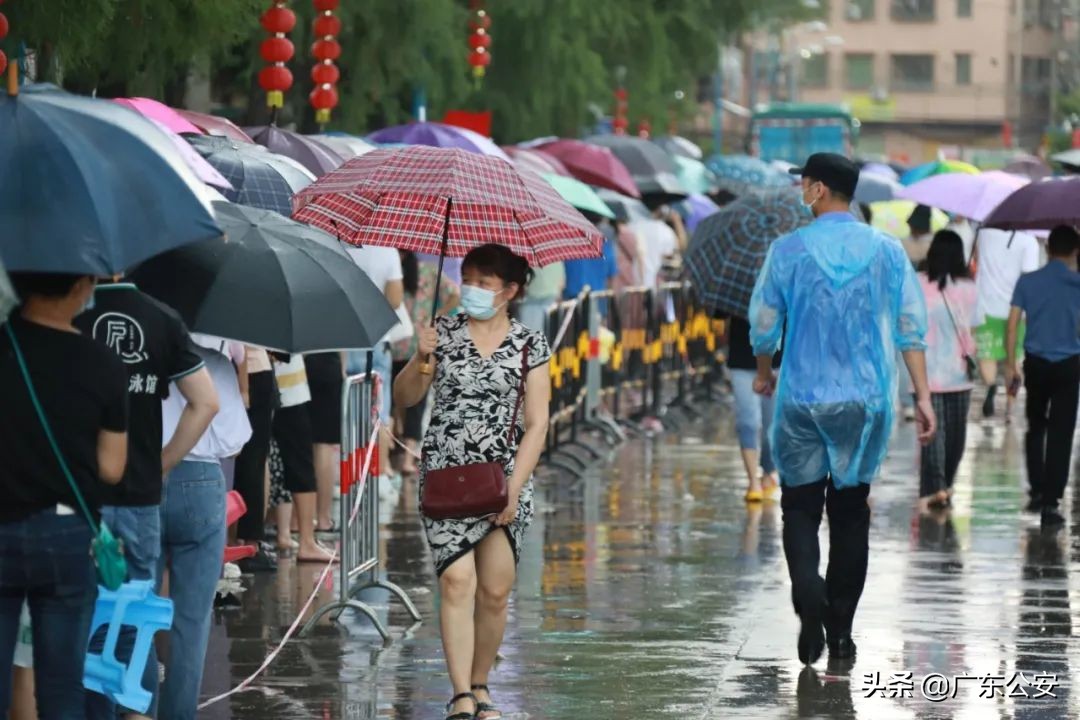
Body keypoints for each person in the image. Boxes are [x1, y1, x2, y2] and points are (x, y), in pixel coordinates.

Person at [749, 153, 935, 666]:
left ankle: (809, 592)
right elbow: (909, 328)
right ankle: (842, 633)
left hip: (803, 398)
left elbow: (764, 323)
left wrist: (765, 371)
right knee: (851, 514)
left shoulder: (787, 252)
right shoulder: (887, 252)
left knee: (801, 506)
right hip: (866, 399)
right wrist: (921, 395)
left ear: (819, 189)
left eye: (803, 184)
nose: (800, 190)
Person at [394, 244, 551, 720]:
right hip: (446, 475)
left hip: (505, 479)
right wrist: (420, 358)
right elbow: (406, 398)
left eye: (484, 283)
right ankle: (460, 693)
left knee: (495, 592)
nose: (472, 290)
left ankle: (481, 683)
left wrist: (512, 487)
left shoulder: (531, 344)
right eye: (468, 279)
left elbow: (538, 423)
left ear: (510, 291)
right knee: (457, 581)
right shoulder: (441, 332)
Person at [77, 278, 218, 720]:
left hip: (80, 500)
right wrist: (161, 463)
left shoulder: (66, 315)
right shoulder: (161, 318)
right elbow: (206, 402)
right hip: (140, 498)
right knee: (136, 623)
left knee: (86, 621)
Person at [0, 272, 128, 718]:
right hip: (67, 534)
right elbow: (112, 468)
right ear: (81, 286)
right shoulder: (103, 363)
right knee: (61, 687)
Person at [158, 335, 251, 720]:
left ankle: (137, 710)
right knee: (192, 619)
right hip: (201, 483)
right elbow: (235, 441)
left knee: (135, 611)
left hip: (141, 477)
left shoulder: (144, 349)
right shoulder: (215, 362)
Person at [1006, 225, 1080, 528]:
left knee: (1036, 426)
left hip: (1035, 363)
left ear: (1048, 249)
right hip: (1070, 364)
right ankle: (1051, 503)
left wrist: (1011, 365)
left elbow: (1011, 325)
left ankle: (1037, 489)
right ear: (1075, 251)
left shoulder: (1028, 281)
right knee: (1062, 433)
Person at [917, 230, 978, 511]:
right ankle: (942, 485)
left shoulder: (916, 284)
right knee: (954, 436)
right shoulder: (968, 288)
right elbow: (973, 327)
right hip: (959, 374)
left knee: (932, 433)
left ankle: (939, 487)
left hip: (925, 375)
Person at [391, 250, 461, 474]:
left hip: (396, 343)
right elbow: (455, 294)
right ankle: (408, 458)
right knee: (417, 404)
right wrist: (437, 315)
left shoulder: (394, 275)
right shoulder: (430, 271)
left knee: (395, 400)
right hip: (422, 343)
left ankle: (394, 444)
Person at [346, 244, 405, 486]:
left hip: (345, 336)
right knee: (379, 411)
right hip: (378, 336)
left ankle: (351, 476)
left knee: (349, 411)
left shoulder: (341, 244)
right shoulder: (387, 251)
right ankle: (378, 476)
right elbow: (395, 299)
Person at [269, 353, 333, 561]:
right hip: (284, 388)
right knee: (298, 463)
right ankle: (305, 540)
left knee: (267, 462)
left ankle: (293, 536)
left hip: (282, 385)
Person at [973, 226, 1040, 420]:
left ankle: (991, 385)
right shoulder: (1029, 242)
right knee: (1014, 361)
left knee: (987, 356)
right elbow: (1030, 277)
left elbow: (976, 259)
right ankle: (1010, 407)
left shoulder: (983, 233)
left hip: (985, 304)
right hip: (1016, 309)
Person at [725, 315, 780, 503]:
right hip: (741, 361)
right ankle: (752, 481)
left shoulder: (782, 287)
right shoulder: (737, 288)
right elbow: (719, 312)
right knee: (748, 421)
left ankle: (768, 471)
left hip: (776, 361)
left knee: (771, 423)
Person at [232, 345, 277, 571]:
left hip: (247, 375)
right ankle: (247, 542)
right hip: (253, 373)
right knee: (252, 463)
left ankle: (245, 542)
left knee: (248, 463)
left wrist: (244, 390)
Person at [305, 351, 344, 532]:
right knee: (324, 444)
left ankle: (304, 518)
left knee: (305, 443)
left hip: (300, 362)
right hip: (328, 362)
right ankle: (323, 518)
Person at [517, 261, 563, 334]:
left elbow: (524, 282)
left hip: (531, 300)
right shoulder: (556, 259)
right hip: (550, 299)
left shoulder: (529, 259)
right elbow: (562, 282)